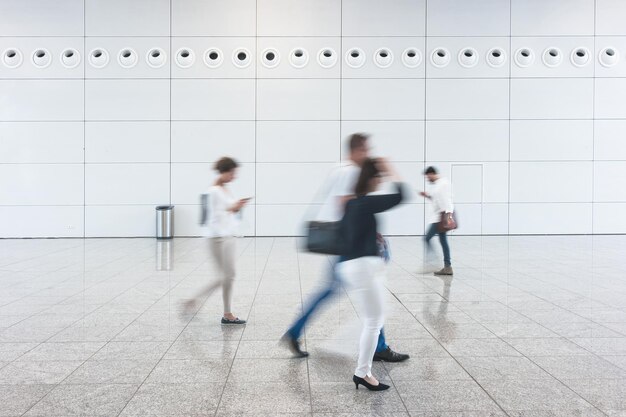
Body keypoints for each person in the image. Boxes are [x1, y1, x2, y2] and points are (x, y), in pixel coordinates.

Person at [281, 134, 409, 364]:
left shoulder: (339, 169)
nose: (368, 154)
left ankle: (296, 331)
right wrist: (365, 232)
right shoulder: (350, 171)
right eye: (365, 150)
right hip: (350, 244)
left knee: (337, 291)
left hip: (347, 241)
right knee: (368, 290)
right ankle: (378, 346)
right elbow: (345, 204)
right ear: (356, 150)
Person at [337, 158, 405, 391]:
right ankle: (362, 372)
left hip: (351, 266)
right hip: (363, 267)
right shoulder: (364, 203)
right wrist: (391, 169)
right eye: (381, 178)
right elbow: (400, 196)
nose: (382, 182)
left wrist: (370, 236)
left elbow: (346, 237)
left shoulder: (352, 204)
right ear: (373, 178)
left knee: (373, 318)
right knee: (374, 321)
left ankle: (363, 370)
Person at [183, 157, 250, 324]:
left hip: (226, 236)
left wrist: (236, 206)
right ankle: (194, 301)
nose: (234, 176)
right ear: (224, 171)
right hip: (218, 238)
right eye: (232, 173)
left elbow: (227, 211)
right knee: (223, 277)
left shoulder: (224, 189)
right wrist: (234, 207)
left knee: (229, 275)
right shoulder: (213, 191)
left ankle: (227, 314)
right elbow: (215, 214)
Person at [420, 166, 454, 276]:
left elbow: (447, 200)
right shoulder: (438, 185)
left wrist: (448, 216)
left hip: (440, 217)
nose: (427, 179)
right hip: (439, 216)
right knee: (443, 241)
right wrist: (428, 196)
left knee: (426, 238)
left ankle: (433, 262)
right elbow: (437, 200)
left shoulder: (442, 184)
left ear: (431, 174)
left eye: (427, 176)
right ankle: (447, 267)